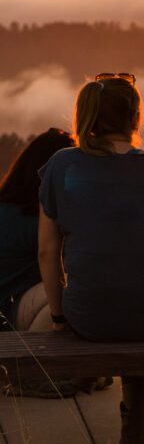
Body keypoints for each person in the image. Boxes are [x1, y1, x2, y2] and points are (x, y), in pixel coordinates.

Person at [38, 73, 144, 443]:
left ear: (85, 115)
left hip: (91, 316)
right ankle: (140, 418)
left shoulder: (64, 167)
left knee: (120, 306)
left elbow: (47, 251)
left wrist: (60, 316)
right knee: (141, 305)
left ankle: (136, 418)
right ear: (136, 116)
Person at [0, 128, 86, 398]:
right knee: (69, 294)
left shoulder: (6, 207)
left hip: (9, 310)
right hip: (9, 316)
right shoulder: (38, 220)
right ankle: (30, 375)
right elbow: (55, 261)